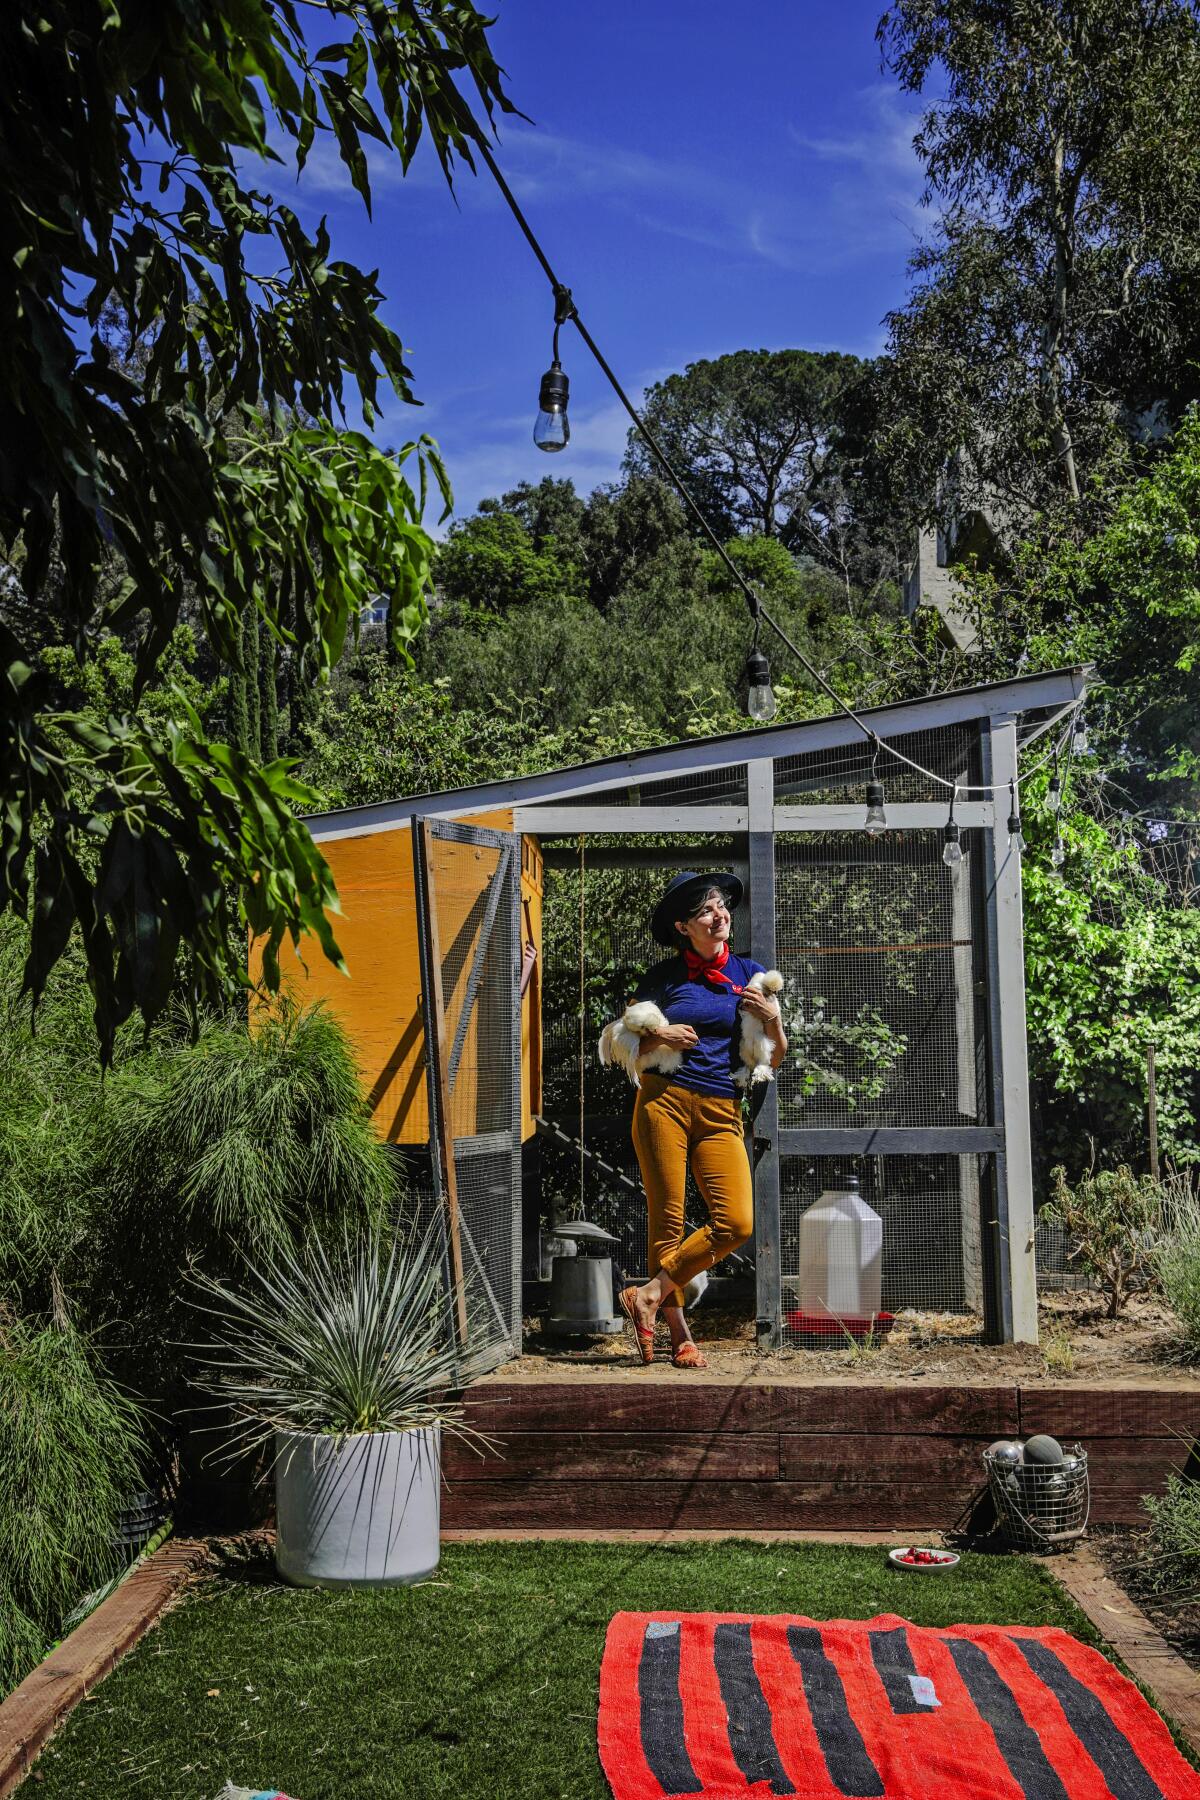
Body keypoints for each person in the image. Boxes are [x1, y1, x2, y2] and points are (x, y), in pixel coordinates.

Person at [617, 871, 787, 1369]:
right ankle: (678, 1334)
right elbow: (622, 1045)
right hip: (663, 1101)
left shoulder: (752, 975)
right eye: (706, 911)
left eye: (722, 908)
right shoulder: (663, 980)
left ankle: (647, 1294)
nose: (720, 916)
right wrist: (660, 1039)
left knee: (735, 1221)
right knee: (666, 1220)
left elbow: (773, 1059)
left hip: (721, 1108)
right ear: (683, 926)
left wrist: (771, 1017)